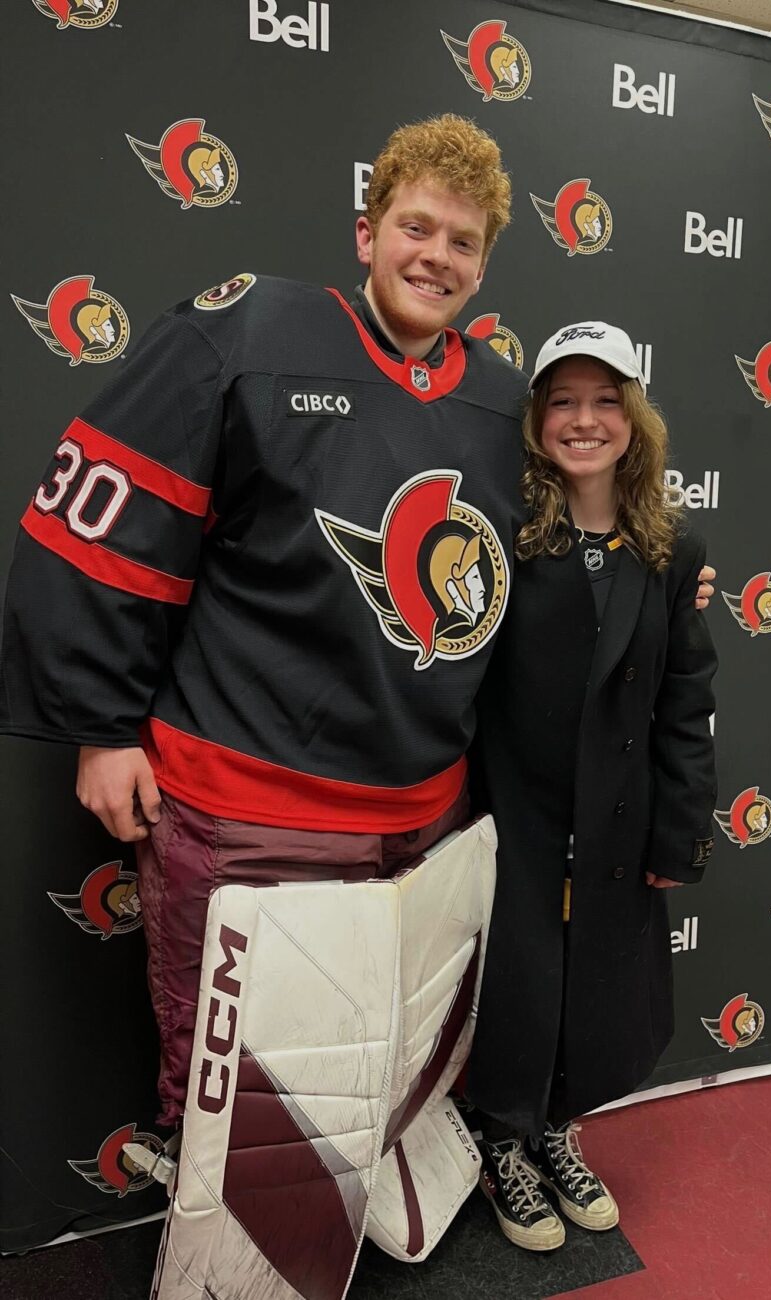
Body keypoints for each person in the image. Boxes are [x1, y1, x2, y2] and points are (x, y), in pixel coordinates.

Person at [0, 114, 715, 1130]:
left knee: (361, 1077)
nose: (436, 256)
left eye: (462, 241)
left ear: (485, 264)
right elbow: (103, 514)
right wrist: (103, 724)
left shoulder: (507, 409)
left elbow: (572, 559)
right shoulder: (247, 331)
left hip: (421, 828)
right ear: (366, 231)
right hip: (241, 808)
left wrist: (667, 573)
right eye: (415, 227)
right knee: (225, 1089)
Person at [465, 322, 718, 1251]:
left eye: (605, 400)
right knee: (517, 982)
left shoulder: (673, 548)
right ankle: (503, 1138)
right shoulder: (501, 532)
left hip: (618, 819)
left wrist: (678, 830)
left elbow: (686, 699)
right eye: (562, 401)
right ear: (535, 418)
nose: (583, 420)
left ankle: (556, 1128)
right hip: (514, 812)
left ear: (633, 417)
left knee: (600, 990)